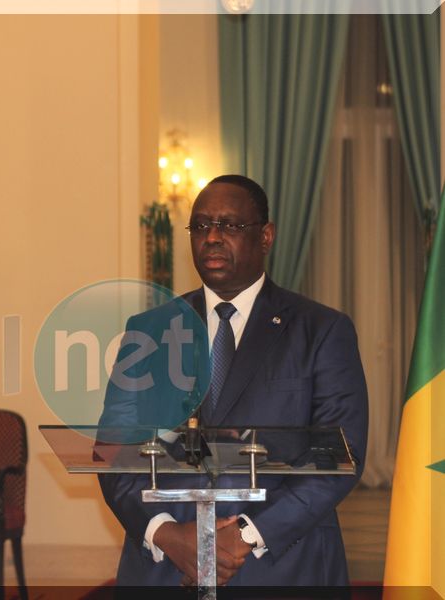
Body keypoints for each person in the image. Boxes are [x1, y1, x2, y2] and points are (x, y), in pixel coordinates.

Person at [98, 175, 368, 586]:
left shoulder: (321, 330)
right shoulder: (150, 330)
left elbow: (340, 456)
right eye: (201, 226)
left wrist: (243, 537)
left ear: (266, 235)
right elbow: (114, 450)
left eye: (230, 225)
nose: (212, 237)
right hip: (168, 564)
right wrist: (168, 534)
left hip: (279, 563)